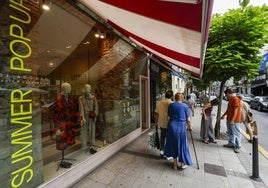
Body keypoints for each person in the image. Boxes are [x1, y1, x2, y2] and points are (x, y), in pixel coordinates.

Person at [164, 92, 192, 170]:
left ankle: (175, 164)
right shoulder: (185, 106)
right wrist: (190, 127)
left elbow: (168, 118)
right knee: (182, 144)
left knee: (173, 144)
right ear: (182, 98)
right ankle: (182, 164)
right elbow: (188, 119)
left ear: (175, 98)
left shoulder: (171, 105)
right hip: (181, 127)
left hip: (172, 126)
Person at [54, 82, 80, 150]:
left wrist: (79, 118)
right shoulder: (58, 100)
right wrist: (57, 128)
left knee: (68, 142)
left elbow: (74, 110)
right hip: (62, 125)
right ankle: (63, 155)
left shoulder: (69, 99)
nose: (71, 89)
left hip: (70, 124)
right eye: (69, 87)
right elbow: (56, 115)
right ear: (65, 89)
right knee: (62, 142)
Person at [79, 84, 99, 153]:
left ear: (90, 89)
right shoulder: (81, 98)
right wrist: (82, 117)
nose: (87, 90)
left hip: (91, 115)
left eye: (88, 88)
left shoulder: (93, 98)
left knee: (92, 129)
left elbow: (96, 107)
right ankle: (84, 145)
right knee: (84, 130)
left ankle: (92, 144)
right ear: (84, 89)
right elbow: (81, 108)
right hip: (85, 115)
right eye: (86, 88)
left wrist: (95, 115)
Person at [221, 89, 242, 153]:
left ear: (228, 93)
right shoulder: (231, 100)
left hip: (234, 120)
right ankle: (231, 143)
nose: (226, 96)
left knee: (236, 132)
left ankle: (238, 146)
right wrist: (223, 115)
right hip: (229, 119)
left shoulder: (235, 99)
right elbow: (228, 109)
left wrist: (232, 120)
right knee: (230, 132)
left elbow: (236, 110)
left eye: (226, 94)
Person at [155, 90, 173, 157]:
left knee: (162, 137)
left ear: (165, 95)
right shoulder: (172, 103)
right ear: (171, 96)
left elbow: (156, 113)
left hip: (162, 122)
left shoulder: (159, 102)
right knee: (169, 138)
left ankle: (162, 151)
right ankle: (168, 152)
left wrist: (156, 122)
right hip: (170, 123)